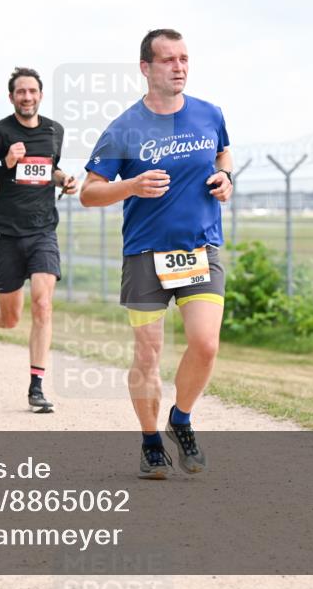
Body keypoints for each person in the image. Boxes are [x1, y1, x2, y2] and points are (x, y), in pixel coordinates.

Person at [79, 29, 233, 479]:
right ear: (146, 68)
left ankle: (180, 419)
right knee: (148, 355)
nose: (179, 67)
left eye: (184, 58)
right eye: (168, 60)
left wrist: (225, 179)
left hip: (200, 249)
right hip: (145, 253)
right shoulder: (124, 128)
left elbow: (223, 154)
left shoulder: (210, 114)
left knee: (205, 344)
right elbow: (89, 193)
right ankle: (150, 442)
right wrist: (131, 185)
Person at [0, 67, 77, 413]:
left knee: (43, 305)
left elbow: (49, 168)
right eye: (20, 92)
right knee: (12, 318)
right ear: (11, 96)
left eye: (32, 91)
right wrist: (5, 162)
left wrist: (64, 180)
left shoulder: (53, 131)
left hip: (43, 231)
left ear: (40, 95)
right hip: (6, 234)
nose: (27, 97)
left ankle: (36, 387)